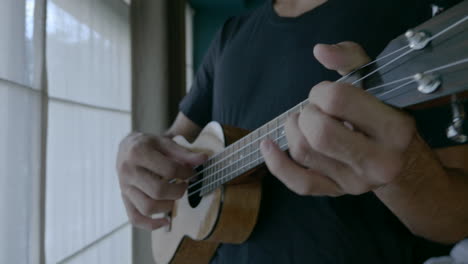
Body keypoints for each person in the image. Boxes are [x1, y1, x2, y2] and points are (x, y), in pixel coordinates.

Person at [116, 0, 468, 263]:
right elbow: (173, 140)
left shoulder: (414, 12)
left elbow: (458, 223)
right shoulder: (230, 34)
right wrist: (134, 151)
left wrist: (404, 170)